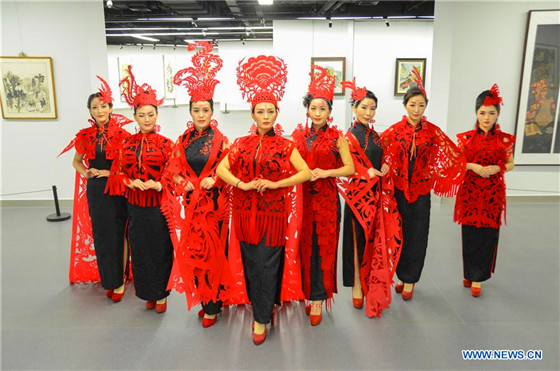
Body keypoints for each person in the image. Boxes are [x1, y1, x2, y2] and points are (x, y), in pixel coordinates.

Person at [216, 55, 311, 345]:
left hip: (272, 215)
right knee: (250, 262)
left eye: (270, 111)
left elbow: (306, 173)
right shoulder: (241, 144)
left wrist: (276, 183)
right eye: (261, 111)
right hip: (245, 215)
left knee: (268, 262)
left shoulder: (285, 145)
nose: (266, 116)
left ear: (276, 114)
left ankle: (261, 318)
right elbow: (222, 169)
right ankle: (264, 302)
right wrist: (241, 184)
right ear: (253, 115)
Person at [161, 41, 233, 327]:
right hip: (192, 204)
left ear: (212, 111)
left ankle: (214, 302)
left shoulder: (222, 141)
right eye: (196, 110)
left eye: (205, 110)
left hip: (214, 205)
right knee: (196, 253)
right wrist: (183, 182)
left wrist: (213, 178)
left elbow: (228, 170)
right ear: (190, 112)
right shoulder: (182, 140)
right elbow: (172, 172)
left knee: (214, 253)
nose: (201, 115)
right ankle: (206, 297)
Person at [381, 67, 466, 300]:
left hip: (421, 192)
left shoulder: (432, 132)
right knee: (398, 233)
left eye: (421, 105)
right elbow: (379, 150)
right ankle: (401, 275)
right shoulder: (395, 131)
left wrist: (434, 174)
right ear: (405, 106)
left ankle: (410, 281)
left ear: (425, 106)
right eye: (412, 105)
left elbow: (453, 155)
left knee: (418, 235)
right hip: (398, 190)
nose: (416, 110)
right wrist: (386, 167)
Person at [106, 66, 174, 313]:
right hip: (135, 205)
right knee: (141, 250)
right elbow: (117, 172)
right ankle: (147, 292)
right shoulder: (125, 143)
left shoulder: (167, 144)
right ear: (135, 116)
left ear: (157, 115)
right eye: (142, 115)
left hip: (158, 207)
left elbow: (173, 174)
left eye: (151, 114)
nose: (147, 119)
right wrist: (129, 182)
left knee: (161, 249)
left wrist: (157, 184)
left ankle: (162, 294)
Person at [291, 66, 354, 326]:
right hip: (303, 199)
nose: (317, 114)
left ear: (330, 111)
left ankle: (318, 298)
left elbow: (350, 169)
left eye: (323, 109)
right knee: (303, 247)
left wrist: (326, 171)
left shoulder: (338, 138)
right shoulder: (297, 137)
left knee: (322, 247)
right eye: (313, 108)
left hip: (327, 201)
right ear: (307, 110)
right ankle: (306, 292)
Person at [59, 76, 131, 300]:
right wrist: (86, 173)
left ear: (111, 108)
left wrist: (110, 173)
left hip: (117, 189)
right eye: (95, 107)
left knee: (120, 233)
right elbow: (76, 161)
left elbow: (131, 169)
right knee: (102, 234)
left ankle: (120, 280)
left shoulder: (123, 136)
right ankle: (109, 278)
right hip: (96, 190)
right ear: (89, 111)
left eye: (103, 106)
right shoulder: (85, 135)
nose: (100, 110)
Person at [338, 78, 402, 317]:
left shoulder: (375, 136)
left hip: (376, 196)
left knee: (374, 241)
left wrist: (384, 166)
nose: (368, 112)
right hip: (357, 198)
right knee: (357, 243)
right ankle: (357, 286)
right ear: (354, 108)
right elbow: (346, 167)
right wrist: (367, 172)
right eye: (363, 107)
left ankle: (371, 283)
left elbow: (382, 157)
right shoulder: (348, 137)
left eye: (372, 108)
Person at [454, 84, 515, 297]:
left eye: (491, 113)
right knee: (469, 234)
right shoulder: (466, 138)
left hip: (492, 194)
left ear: (498, 113)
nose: (486, 117)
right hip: (470, 191)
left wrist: (498, 167)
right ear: (476, 113)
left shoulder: (505, 139)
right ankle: (469, 273)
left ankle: (479, 277)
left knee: (488, 235)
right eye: (482, 113)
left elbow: (511, 163)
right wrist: (472, 166)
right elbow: (457, 162)